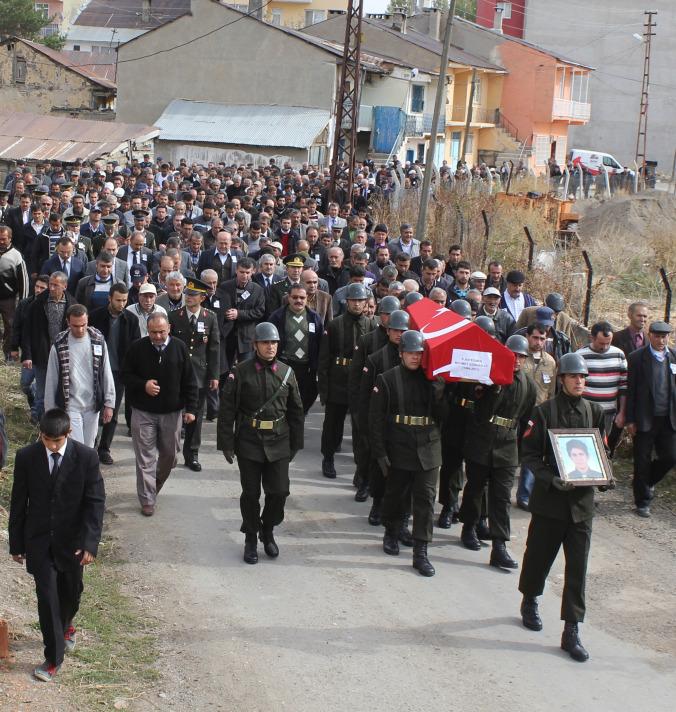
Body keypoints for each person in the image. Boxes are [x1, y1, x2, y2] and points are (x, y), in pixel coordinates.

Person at [519, 352, 610, 663]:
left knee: (577, 569)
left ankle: (572, 628)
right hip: (551, 503)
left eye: (583, 377)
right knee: (538, 556)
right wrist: (550, 479)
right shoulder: (543, 412)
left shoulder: (595, 412)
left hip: (582, 506)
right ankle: (530, 598)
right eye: (573, 376)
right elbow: (529, 454)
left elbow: (601, 451)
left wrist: (604, 477)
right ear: (561, 380)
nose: (579, 381)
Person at [8, 408, 105, 682]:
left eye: (56, 441)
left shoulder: (86, 458)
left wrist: (89, 543)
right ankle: (53, 658)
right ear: (40, 434)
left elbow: (95, 503)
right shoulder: (26, 457)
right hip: (39, 541)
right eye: (46, 439)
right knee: (47, 598)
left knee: (70, 594)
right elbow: (19, 502)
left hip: (71, 543)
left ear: (68, 434)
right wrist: (16, 543)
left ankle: (67, 625)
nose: (51, 445)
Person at [217, 322, 304, 564]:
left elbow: (296, 410)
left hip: (279, 440)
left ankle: (268, 528)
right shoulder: (241, 372)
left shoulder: (286, 373)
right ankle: (251, 538)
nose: (270, 347)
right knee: (251, 493)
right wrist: (226, 442)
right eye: (265, 342)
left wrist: (296, 443)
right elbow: (227, 409)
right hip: (249, 441)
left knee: (279, 491)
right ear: (255, 345)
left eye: (274, 343)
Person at [370, 330, 446, 576]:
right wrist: (380, 454)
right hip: (399, 445)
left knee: (425, 499)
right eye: (411, 353)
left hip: (428, 446)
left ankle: (421, 552)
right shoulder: (387, 379)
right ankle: (391, 531)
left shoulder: (432, 379)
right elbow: (376, 420)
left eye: (419, 353)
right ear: (401, 353)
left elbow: (444, 417)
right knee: (396, 495)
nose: (415, 357)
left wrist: (439, 390)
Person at [458, 334, 536, 569]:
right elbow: (477, 408)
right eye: (513, 355)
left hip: (508, 445)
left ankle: (500, 546)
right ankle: (469, 526)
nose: (516, 360)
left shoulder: (529, 385)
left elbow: (526, 420)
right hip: (482, 440)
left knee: (502, 498)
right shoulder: (490, 377)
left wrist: (520, 452)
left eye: (521, 357)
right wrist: (492, 389)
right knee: (474, 489)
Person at [121, 312, 199, 516]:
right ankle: (147, 498)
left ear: (169, 329)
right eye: (153, 332)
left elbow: (190, 380)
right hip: (143, 412)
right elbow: (126, 375)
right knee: (145, 458)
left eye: (161, 332)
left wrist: (191, 409)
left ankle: (153, 483)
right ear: (147, 330)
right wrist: (143, 385)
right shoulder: (137, 348)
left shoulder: (179, 348)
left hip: (172, 413)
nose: (157, 336)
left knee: (170, 456)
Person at [358, 308, 410, 526]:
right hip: (382, 422)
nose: (399, 334)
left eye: (403, 330)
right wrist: (366, 426)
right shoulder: (375, 359)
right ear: (388, 330)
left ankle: (400, 513)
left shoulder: (415, 359)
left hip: (404, 425)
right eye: (395, 330)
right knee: (380, 468)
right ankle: (377, 504)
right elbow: (365, 396)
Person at [318, 282, 375, 478]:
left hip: (361, 383)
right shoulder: (335, 324)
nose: (357, 304)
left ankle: (361, 469)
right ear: (347, 301)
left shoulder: (371, 325)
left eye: (360, 301)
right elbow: (324, 359)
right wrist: (324, 390)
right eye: (353, 301)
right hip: (339, 380)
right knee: (333, 423)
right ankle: (328, 458)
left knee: (360, 427)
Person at [347, 295, 400, 501]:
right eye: (385, 314)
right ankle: (363, 481)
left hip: (393, 408)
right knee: (366, 448)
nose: (388, 318)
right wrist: (357, 410)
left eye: (392, 314)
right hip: (370, 403)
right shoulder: (368, 340)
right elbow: (356, 378)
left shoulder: (406, 345)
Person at [44, 304, 115, 448]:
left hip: (92, 405)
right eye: (76, 326)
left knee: (88, 447)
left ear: (88, 320)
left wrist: (109, 403)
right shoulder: (59, 344)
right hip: (70, 406)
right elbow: (52, 379)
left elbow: (106, 371)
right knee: (76, 446)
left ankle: (86, 470)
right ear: (68, 322)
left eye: (83, 324)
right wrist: (50, 411)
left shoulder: (98, 340)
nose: (80, 329)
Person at [168, 278, 220, 471]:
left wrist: (214, 375)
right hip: (177, 373)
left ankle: (192, 455)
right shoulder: (174, 316)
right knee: (174, 415)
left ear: (202, 297)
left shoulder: (210, 317)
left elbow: (214, 349)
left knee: (195, 417)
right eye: (187, 294)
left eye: (193, 295)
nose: (188, 297)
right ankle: (170, 453)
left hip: (199, 374)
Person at [625, 321, 676, 518]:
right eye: (657, 336)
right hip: (644, 417)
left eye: (665, 337)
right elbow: (631, 392)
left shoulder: (673, 356)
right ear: (650, 336)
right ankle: (642, 501)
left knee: (670, 457)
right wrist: (630, 419)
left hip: (668, 418)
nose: (661, 340)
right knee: (642, 460)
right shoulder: (637, 358)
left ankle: (645, 482)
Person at [89, 283, 141, 465]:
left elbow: (136, 348)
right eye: (118, 300)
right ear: (109, 298)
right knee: (94, 408)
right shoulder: (95, 316)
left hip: (119, 373)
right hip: (96, 370)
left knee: (112, 411)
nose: (121, 304)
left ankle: (104, 448)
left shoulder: (131, 320)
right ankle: (91, 445)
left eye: (125, 300)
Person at [22, 272, 76, 419]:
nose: (51, 288)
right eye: (50, 284)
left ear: (64, 286)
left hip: (64, 356)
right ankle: (40, 423)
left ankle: (58, 421)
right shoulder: (38, 304)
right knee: (42, 392)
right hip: (42, 355)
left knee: (63, 390)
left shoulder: (72, 305)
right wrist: (27, 355)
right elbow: (27, 330)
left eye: (55, 285)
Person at [516, 323, 558, 510]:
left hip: (538, 415)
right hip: (517, 413)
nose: (539, 342)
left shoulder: (550, 362)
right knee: (512, 455)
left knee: (531, 454)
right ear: (527, 336)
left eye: (543, 339)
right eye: (535, 338)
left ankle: (525, 494)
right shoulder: (519, 358)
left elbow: (551, 392)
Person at [269, 283, 323, 414]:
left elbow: (321, 342)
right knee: (284, 402)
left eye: (302, 297)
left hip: (307, 368)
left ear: (306, 298)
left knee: (304, 401)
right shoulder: (277, 317)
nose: (298, 300)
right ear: (288, 298)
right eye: (295, 297)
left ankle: (298, 423)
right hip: (284, 366)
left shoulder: (314, 317)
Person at [576, 321, 628, 456]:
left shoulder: (619, 355)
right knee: (584, 446)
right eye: (601, 343)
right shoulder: (580, 356)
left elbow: (623, 385)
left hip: (608, 412)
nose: (605, 347)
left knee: (603, 446)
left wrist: (622, 412)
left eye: (608, 343)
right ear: (592, 338)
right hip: (586, 411)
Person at [215, 257, 265, 371]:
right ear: (236, 270)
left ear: (253, 271)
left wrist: (239, 314)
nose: (245, 275)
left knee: (246, 370)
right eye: (242, 272)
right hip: (227, 336)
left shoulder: (257, 290)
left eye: (248, 273)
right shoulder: (225, 286)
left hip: (246, 337)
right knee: (224, 370)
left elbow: (260, 311)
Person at [0, 225, 29, 360]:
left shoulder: (16, 256)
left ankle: (8, 353)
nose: (1, 241)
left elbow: (23, 280)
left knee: (10, 325)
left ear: (10, 238)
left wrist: (23, 301)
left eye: (3, 239)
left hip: (8, 298)